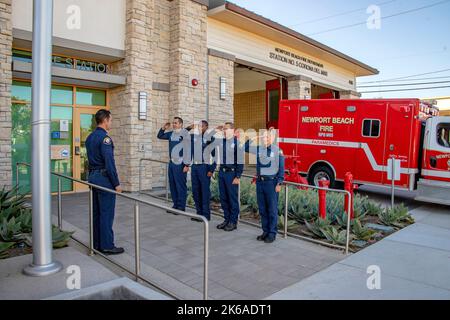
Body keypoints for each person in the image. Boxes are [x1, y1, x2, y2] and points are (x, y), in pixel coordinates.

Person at [85, 109, 124, 255]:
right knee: (106, 213)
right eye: (111, 120)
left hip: (93, 177)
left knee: (96, 213)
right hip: (104, 179)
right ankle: (107, 245)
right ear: (106, 120)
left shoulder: (90, 137)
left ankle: (96, 244)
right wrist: (116, 183)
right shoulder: (105, 139)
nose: (111, 123)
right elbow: (109, 163)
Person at [244, 129, 285, 244]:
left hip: (271, 184)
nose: (265, 139)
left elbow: (281, 168)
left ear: (272, 138)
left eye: (267, 137)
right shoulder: (259, 149)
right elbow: (245, 147)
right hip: (260, 183)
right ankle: (265, 231)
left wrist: (279, 183)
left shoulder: (277, 151)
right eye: (264, 137)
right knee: (262, 209)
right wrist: (254, 138)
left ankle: (272, 233)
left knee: (272, 209)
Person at [157, 117, 190, 213]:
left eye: (176, 123)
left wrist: (187, 165)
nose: (174, 124)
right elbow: (160, 136)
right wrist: (163, 128)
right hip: (172, 163)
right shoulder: (171, 134)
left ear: (180, 124)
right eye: (173, 123)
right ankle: (175, 205)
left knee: (180, 185)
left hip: (180, 164)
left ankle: (181, 207)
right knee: (173, 184)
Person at [186, 120, 216, 222]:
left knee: (204, 192)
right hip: (194, 167)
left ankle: (206, 215)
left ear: (206, 127)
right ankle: (199, 214)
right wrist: (190, 127)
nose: (199, 128)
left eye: (201, 126)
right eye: (198, 126)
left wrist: (211, 170)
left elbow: (215, 156)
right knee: (195, 192)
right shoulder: (193, 137)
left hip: (204, 168)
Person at [216, 123, 244, 232]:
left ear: (232, 130)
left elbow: (240, 162)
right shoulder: (222, 142)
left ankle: (233, 221)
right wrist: (215, 130)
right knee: (223, 198)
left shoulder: (237, 144)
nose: (224, 130)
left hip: (231, 174)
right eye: (223, 129)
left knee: (232, 199)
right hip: (222, 173)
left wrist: (238, 176)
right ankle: (226, 219)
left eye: (226, 129)